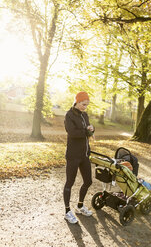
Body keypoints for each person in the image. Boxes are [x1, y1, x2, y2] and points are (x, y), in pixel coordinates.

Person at [63, 91, 95, 224]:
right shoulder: (69, 115)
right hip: (73, 155)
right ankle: (67, 212)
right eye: (83, 104)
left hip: (84, 155)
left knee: (88, 181)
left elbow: (88, 130)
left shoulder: (85, 115)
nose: (84, 107)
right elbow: (72, 132)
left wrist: (92, 129)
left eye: (86, 105)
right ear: (77, 101)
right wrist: (87, 132)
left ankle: (80, 206)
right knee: (70, 183)